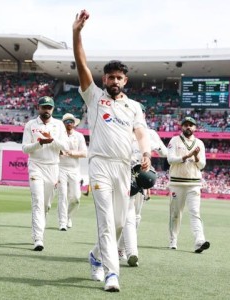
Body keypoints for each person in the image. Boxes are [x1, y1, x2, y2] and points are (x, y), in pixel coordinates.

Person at [73, 10, 152, 292]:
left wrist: (146, 153)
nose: (114, 81)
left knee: (120, 223)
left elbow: (141, 133)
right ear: (104, 79)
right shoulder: (93, 96)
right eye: (110, 77)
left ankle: (96, 255)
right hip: (100, 165)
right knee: (106, 219)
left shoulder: (133, 107)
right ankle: (112, 274)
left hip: (123, 166)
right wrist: (77, 32)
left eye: (119, 77)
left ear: (125, 81)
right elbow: (81, 64)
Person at [118, 103, 168, 264]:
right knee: (126, 215)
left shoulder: (150, 133)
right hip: (124, 175)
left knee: (136, 216)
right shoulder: (122, 131)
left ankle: (121, 249)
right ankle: (129, 250)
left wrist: (154, 148)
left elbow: (164, 152)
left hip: (142, 177)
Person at [22, 96, 68, 251]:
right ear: (38, 108)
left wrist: (51, 139)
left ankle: (40, 226)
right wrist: (40, 143)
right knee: (37, 201)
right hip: (36, 166)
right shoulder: (31, 125)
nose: (46, 110)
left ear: (53, 109)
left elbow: (65, 146)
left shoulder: (59, 125)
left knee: (46, 205)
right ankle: (38, 238)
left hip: (52, 167)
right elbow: (25, 148)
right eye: (44, 107)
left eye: (49, 107)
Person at [167, 116, 210, 253]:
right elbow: (170, 159)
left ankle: (199, 241)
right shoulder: (174, 140)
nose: (188, 127)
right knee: (175, 213)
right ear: (182, 127)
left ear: (195, 128)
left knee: (195, 213)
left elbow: (202, 164)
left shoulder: (199, 143)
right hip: (177, 182)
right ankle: (173, 240)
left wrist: (196, 157)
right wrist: (187, 156)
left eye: (191, 125)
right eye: (186, 125)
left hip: (194, 183)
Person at [57, 113, 87, 231]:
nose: (69, 123)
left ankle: (69, 216)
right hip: (61, 168)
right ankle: (62, 222)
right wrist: (59, 152)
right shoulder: (59, 135)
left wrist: (70, 153)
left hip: (74, 169)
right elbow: (53, 149)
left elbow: (84, 153)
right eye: (67, 121)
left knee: (76, 197)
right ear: (63, 123)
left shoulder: (79, 136)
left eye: (71, 121)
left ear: (74, 123)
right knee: (63, 195)